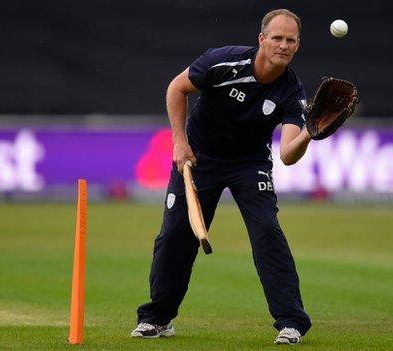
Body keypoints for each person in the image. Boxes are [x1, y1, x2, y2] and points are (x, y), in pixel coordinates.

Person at [131, 9, 313, 345]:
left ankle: (291, 322)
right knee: (175, 237)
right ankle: (158, 318)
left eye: (290, 40)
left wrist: (310, 133)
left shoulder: (291, 91)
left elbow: (288, 154)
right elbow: (176, 88)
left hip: (250, 162)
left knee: (267, 233)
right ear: (262, 39)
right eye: (277, 38)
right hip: (199, 156)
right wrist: (179, 141)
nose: (283, 45)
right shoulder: (223, 62)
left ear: (297, 46)